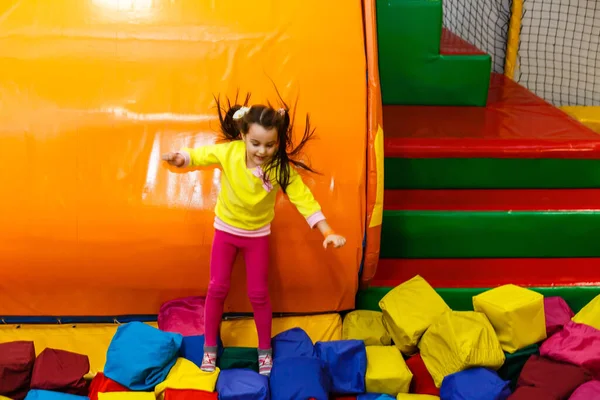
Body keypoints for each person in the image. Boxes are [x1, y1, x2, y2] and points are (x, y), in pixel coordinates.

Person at [162, 96, 346, 376]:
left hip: (257, 236)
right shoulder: (230, 153)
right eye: (256, 143)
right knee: (217, 288)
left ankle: (264, 352)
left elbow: (303, 199)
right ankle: (209, 348)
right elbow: (201, 155)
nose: (262, 151)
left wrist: (327, 230)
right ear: (243, 135)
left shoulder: (279, 168)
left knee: (258, 294)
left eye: (270, 145)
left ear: (278, 142)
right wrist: (181, 158)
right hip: (226, 231)